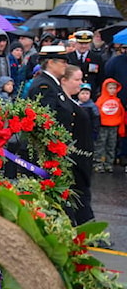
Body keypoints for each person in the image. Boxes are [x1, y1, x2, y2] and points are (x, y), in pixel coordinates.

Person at [40, 65, 95, 225]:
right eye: (76, 79)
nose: (80, 83)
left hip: (82, 157)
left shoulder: (71, 102)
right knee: (79, 195)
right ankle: (90, 232)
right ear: (64, 80)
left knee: (79, 195)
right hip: (74, 157)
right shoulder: (64, 105)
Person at [95, 78, 125, 172]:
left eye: (114, 88)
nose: (112, 90)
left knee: (111, 145)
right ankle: (98, 163)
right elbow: (97, 112)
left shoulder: (118, 100)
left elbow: (122, 113)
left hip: (114, 126)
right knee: (100, 145)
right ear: (105, 88)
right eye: (110, 88)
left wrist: (121, 125)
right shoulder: (101, 100)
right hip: (103, 126)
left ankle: (109, 163)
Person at [67, 29, 105, 94]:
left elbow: (101, 77)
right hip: (72, 93)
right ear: (76, 43)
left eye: (86, 43)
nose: (83, 46)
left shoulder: (96, 58)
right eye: (81, 43)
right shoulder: (68, 57)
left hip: (91, 93)